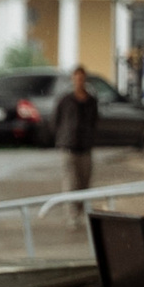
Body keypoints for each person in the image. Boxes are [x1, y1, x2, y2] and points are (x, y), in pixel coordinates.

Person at [53, 62, 100, 193]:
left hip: (85, 148)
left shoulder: (91, 101)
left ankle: (83, 211)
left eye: (82, 78)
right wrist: (62, 137)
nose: (79, 81)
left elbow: (95, 121)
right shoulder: (65, 100)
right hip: (68, 147)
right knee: (70, 184)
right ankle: (72, 213)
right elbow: (56, 121)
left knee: (85, 184)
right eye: (77, 78)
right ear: (73, 79)